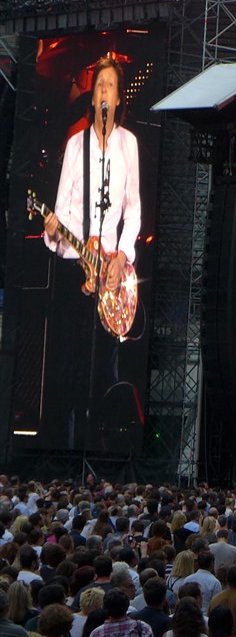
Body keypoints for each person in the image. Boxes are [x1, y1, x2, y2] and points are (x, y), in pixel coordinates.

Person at [40, 53, 143, 450]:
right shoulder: (74, 144)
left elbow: (133, 208)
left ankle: (102, 453)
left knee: (105, 368)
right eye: (98, 84)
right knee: (70, 365)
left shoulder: (128, 145)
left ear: (119, 99)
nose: (103, 90)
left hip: (112, 272)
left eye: (110, 86)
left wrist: (122, 255)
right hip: (75, 268)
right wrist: (55, 231)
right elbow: (62, 207)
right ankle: (64, 452)